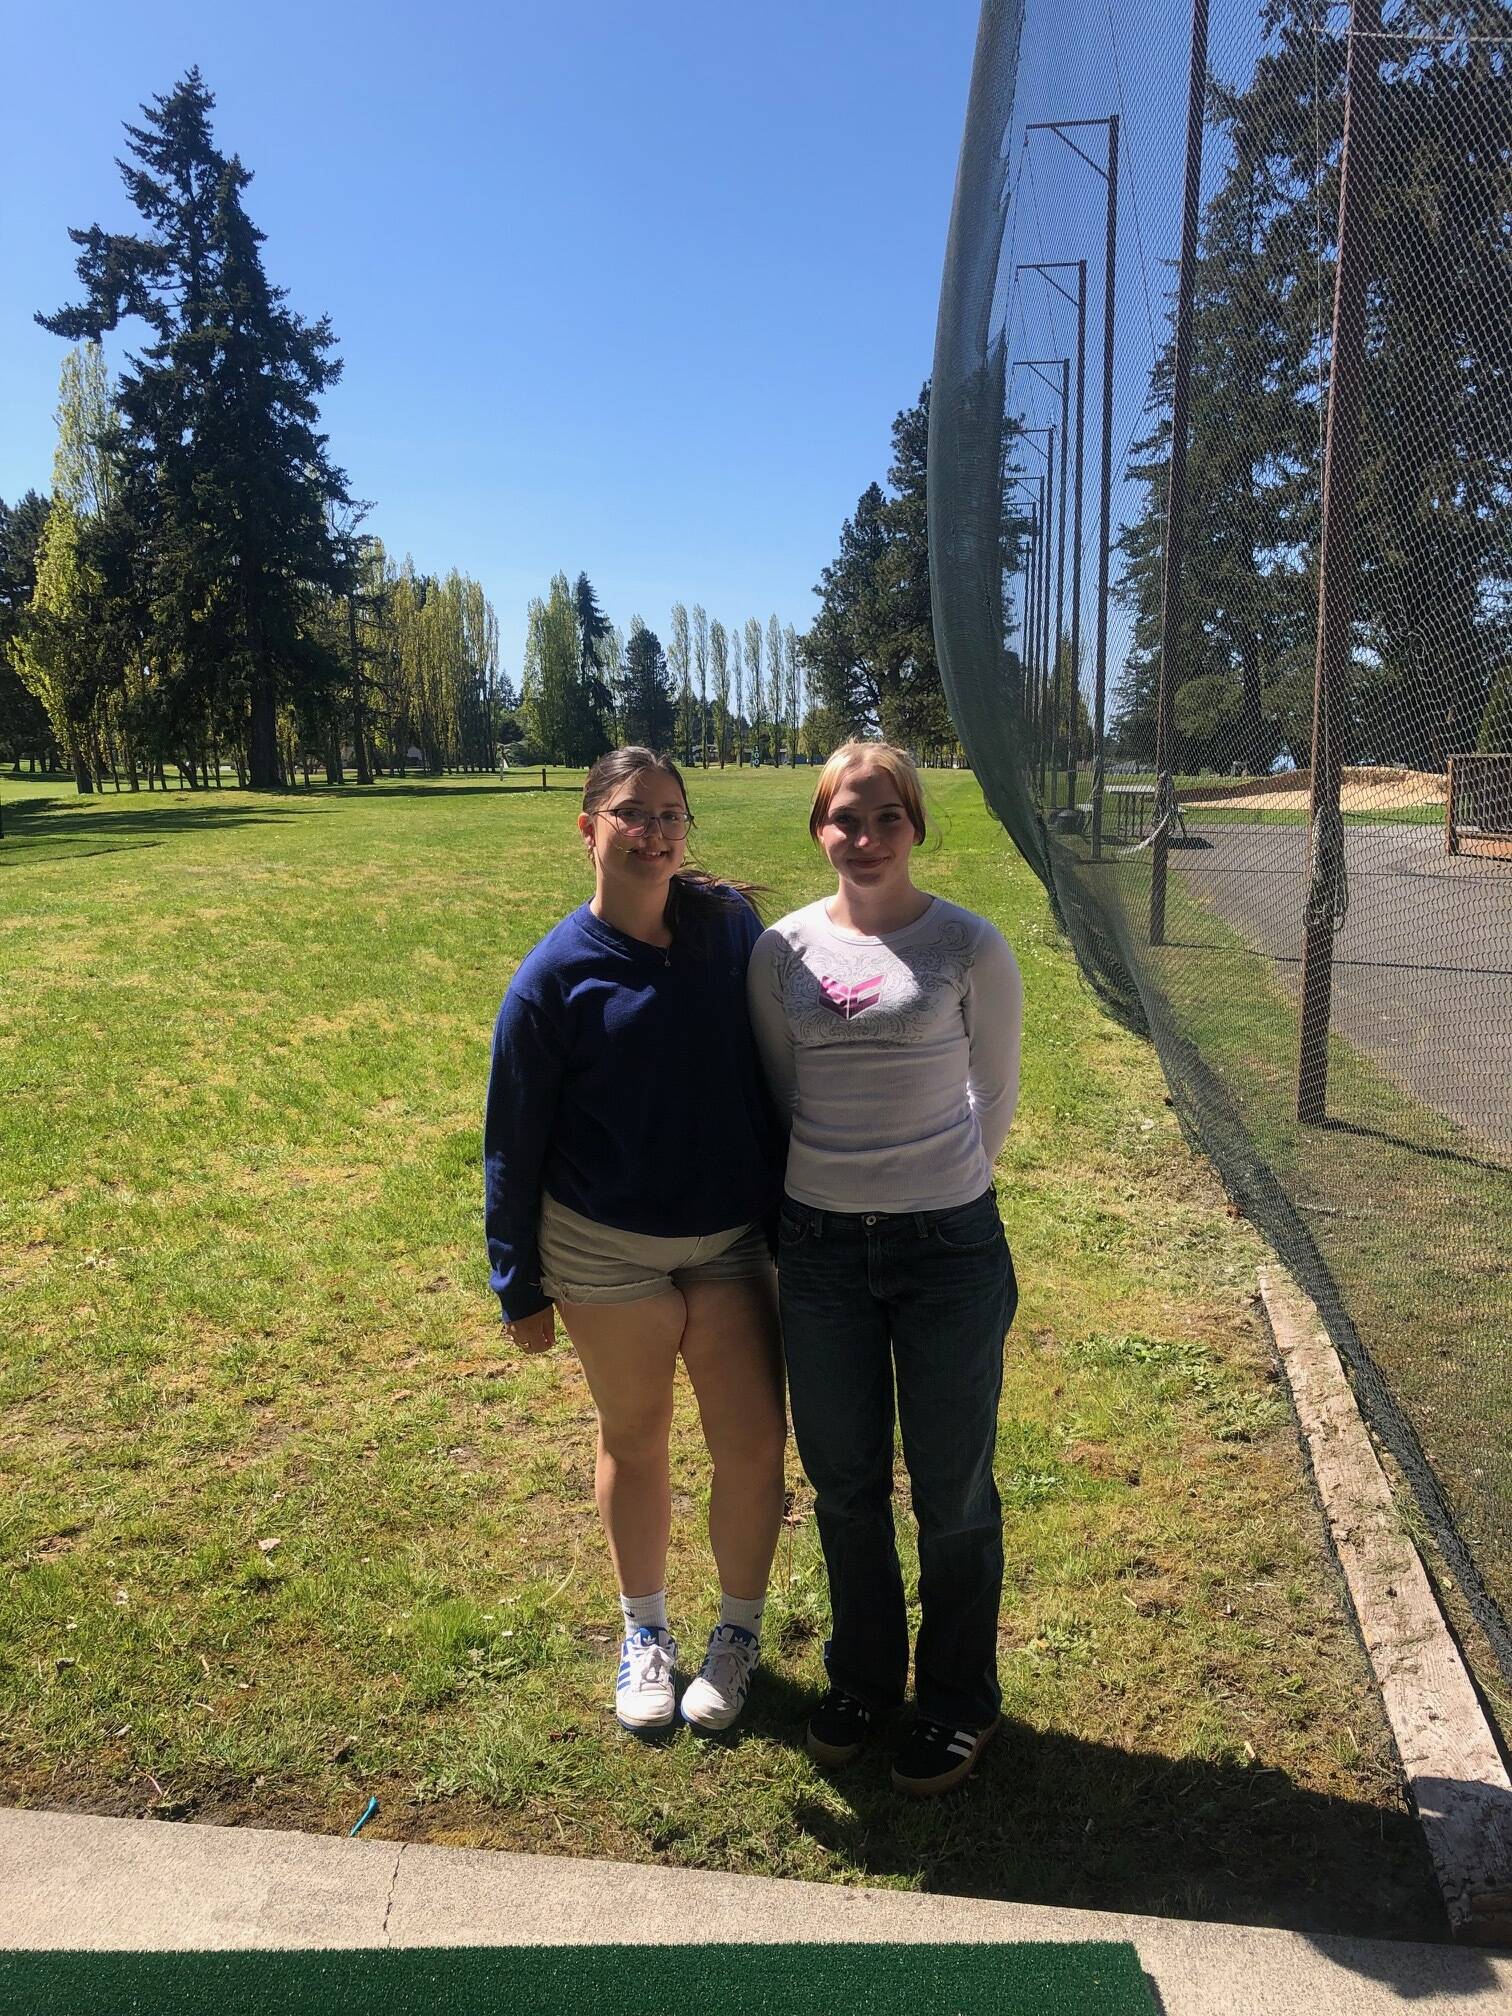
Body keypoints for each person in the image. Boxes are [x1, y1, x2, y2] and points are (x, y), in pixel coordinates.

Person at [484, 748, 786, 1735]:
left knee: (751, 1443)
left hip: (734, 1241)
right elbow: (511, 1139)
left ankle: (735, 1636)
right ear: (587, 829)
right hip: (603, 1250)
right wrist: (517, 1283)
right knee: (635, 1439)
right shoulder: (551, 980)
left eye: (671, 814)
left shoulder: (727, 932)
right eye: (632, 814)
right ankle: (644, 1633)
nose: (655, 832)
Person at [747, 742, 1023, 1796]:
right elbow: (784, 1092)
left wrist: (931, 1190)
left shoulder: (967, 944)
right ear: (817, 827)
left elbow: (991, 1093)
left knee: (952, 1489)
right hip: (818, 1253)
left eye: (885, 820)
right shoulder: (780, 950)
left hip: (947, 1249)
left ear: (916, 827)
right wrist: (841, 1198)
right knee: (844, 1485)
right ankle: (863, 1678)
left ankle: (957, 1699)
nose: (863, 840)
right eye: (843, 821)